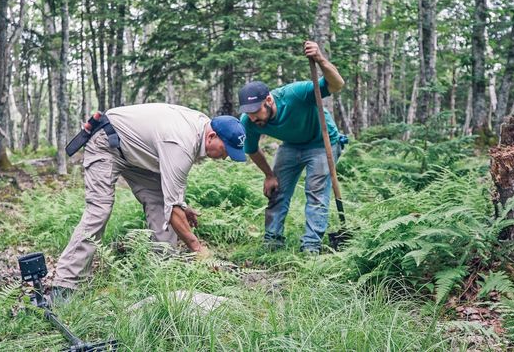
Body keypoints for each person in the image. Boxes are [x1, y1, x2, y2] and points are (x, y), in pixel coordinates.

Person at [52, 103, 246, 299]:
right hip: (106, 142)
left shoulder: (201, 129)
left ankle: (162, 274)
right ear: (211, 137)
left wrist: (181, 206)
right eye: (226, 149)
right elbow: (173, 207)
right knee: (99, 210)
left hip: (137, 152)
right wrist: (198, 249)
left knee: (162, 206)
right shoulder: (182, 143)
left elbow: (172, 195)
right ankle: (66, 285)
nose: (226, 156)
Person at [238, 41, 345, 254]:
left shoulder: (296, 94)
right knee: (277, 192)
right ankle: (272, 242)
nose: (253, 117)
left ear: (268, 100)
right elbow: (251, 149)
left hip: (322, 142)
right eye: (248, 112)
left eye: (256, 111)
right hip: (291, 146)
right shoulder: (248, 120)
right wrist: (269, 175)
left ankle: (311, 247)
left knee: (315, 193)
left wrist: (321, 59)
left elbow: (337, 84)